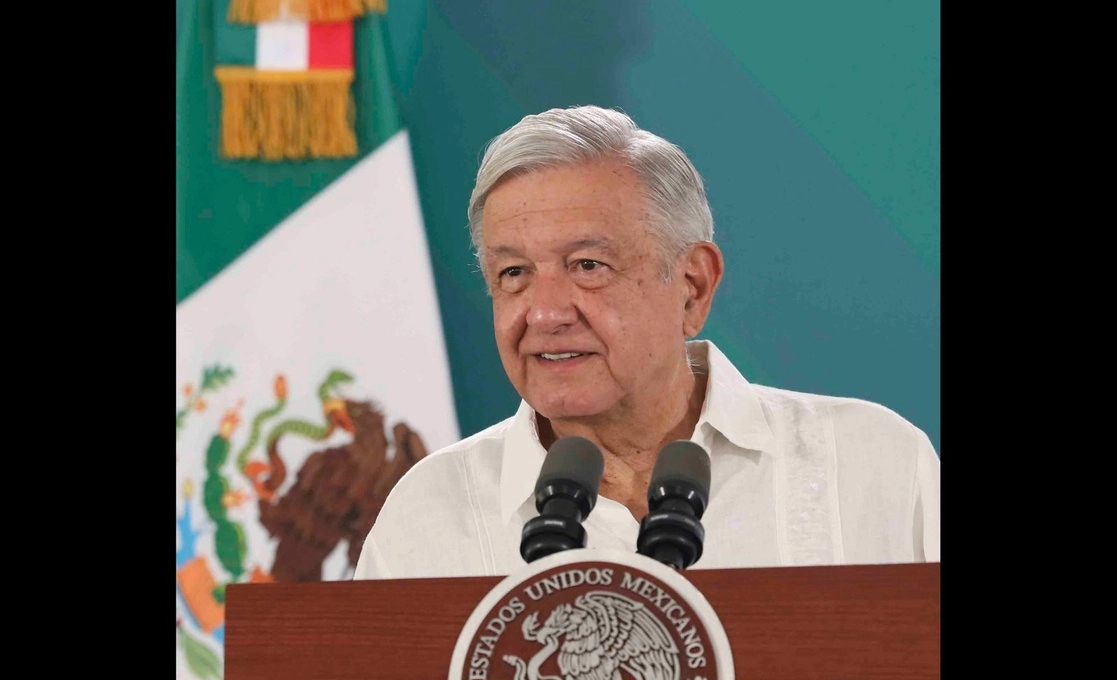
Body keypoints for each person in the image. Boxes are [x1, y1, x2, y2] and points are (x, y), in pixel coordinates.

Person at [353, 105, 939, 580]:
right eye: (514, 274)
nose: (546, 312)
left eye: (587, 265)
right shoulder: (429, 513)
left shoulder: (874, 466)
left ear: (692, 287)